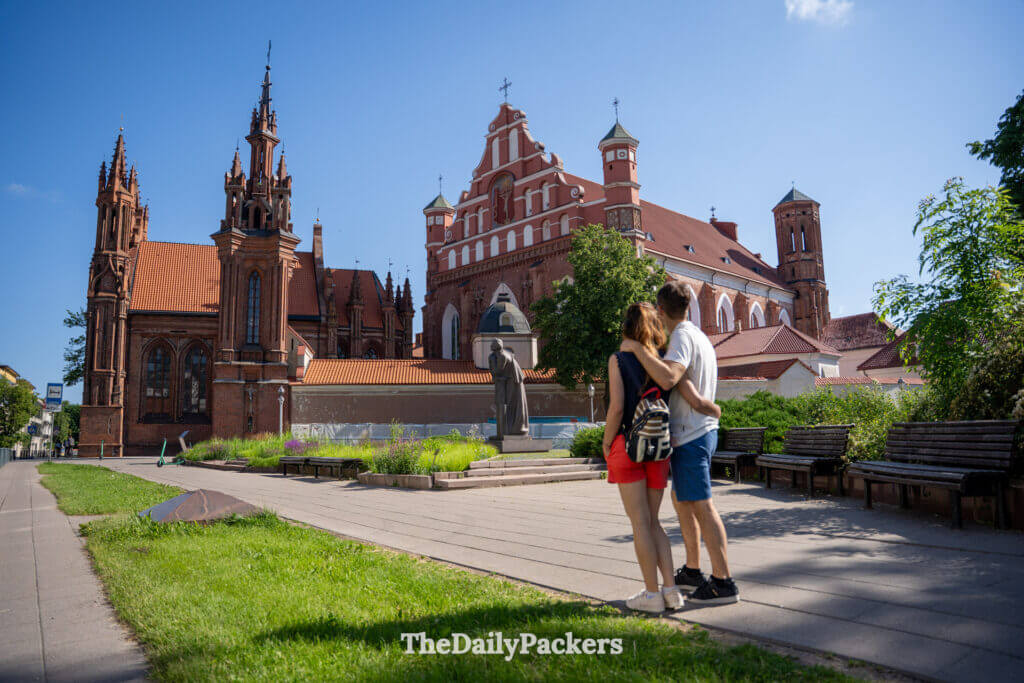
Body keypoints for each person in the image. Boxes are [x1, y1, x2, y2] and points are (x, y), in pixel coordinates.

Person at [621, 281, 739, 606]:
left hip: (692, 434)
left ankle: (723, 581)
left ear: (660, 311)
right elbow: (686, 383)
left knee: (701, 505)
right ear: (687, 306)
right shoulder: (700, 336)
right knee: (682, 501)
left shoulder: (683, 337)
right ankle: (692, 570)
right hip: (698, 430)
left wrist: (638, 349)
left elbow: (670, 377)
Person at [604, 302, 722, 613]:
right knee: (655, 522)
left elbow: (617, 408)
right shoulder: (664, 362)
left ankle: (651, 595)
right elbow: (689, 394)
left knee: (640, 524)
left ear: (627, 328)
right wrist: (713, 410)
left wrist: (605, 443)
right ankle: (671, 591)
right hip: (658, 450)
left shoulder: (619, 359)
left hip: (628, 446)